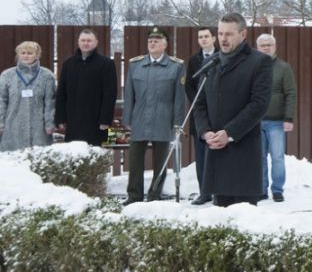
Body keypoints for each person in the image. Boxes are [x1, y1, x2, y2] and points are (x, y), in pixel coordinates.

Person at [194, 13, 273, 207]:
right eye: (220, 33)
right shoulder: (211, 63)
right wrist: (205, 132)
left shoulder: (259, 62)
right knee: (219, 224)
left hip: (243, 154)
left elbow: (259, 104)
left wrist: (229, 133)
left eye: (229, 34)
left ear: (243, 34)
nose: (223, 38)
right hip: (216, 154)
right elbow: (199, 103)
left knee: (244, 221)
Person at [122, 27, 185, 204]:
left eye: (157, 40)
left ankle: (155, 195)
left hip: (163, 119)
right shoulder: (135, 65)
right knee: (134, 161)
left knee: (161, 162)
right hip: (139, 119)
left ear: (165, 44)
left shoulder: (176, 66)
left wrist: (178, 122)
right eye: (150, 40)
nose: (152, 43)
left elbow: (179, 98)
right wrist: (127, 119)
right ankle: (134, 196)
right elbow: (129, 95)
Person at [55, 28, 117, 146]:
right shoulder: (68, 64)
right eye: (83, 40)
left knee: (96, 156)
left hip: (97, 122)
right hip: (73, 121)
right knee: (74, 157)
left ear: (96, 42)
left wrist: (105, 120)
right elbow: (61, 93)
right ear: (78, 42)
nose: (86, 43)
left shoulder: (106, 64)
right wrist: (60, 118)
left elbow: (110, 94)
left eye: (89, 40)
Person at [256, 33, 296, 203]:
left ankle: (277, 190)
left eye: (269, 44)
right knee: (260, 158)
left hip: (277, 122)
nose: (266, 47)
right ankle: (261, 189)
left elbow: (291, 93)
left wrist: (289, 118)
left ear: (275, 47)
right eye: (263, 45)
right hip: (256, 121)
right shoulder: (253, 67)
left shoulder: (283, 68)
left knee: (277, 158)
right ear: (257, 48)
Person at [0, 41, 56, 151]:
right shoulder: (7, 75)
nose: (26, 56)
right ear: (18, 55)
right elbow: (1, 100)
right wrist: (1, 123)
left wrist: (49, 124)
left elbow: (50, 102)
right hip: (13, 126)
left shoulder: (47, 76)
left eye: (30, 53)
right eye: (23, 53)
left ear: (37, 55)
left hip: (39, 129)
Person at [185, 26, 217, 205]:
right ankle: (204, 192)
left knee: (218, 155)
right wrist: (198, 103)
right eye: (200, 37)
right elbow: (188, 85)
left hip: (218, 114)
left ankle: (219, 191)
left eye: (206, 36)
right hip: (199, 114)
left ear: (214, 38)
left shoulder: (222, 57)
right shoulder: (193, 60)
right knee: (201, 156)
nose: (203, 40)